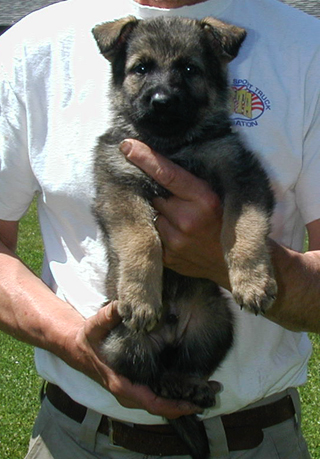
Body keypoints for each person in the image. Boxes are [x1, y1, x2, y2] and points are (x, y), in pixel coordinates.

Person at [0, 0, 319, 457]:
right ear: (116, 69)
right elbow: (119, 204)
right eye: (142, 69)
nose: (163, 90)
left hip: (255, 436)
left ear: (217, 73)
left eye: (189, 70)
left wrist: (234, 258)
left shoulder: (307, 49)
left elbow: (247, 195)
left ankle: (187, 381)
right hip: (76, 435)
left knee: (214, 324)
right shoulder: (31, 46)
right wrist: (75, 342)